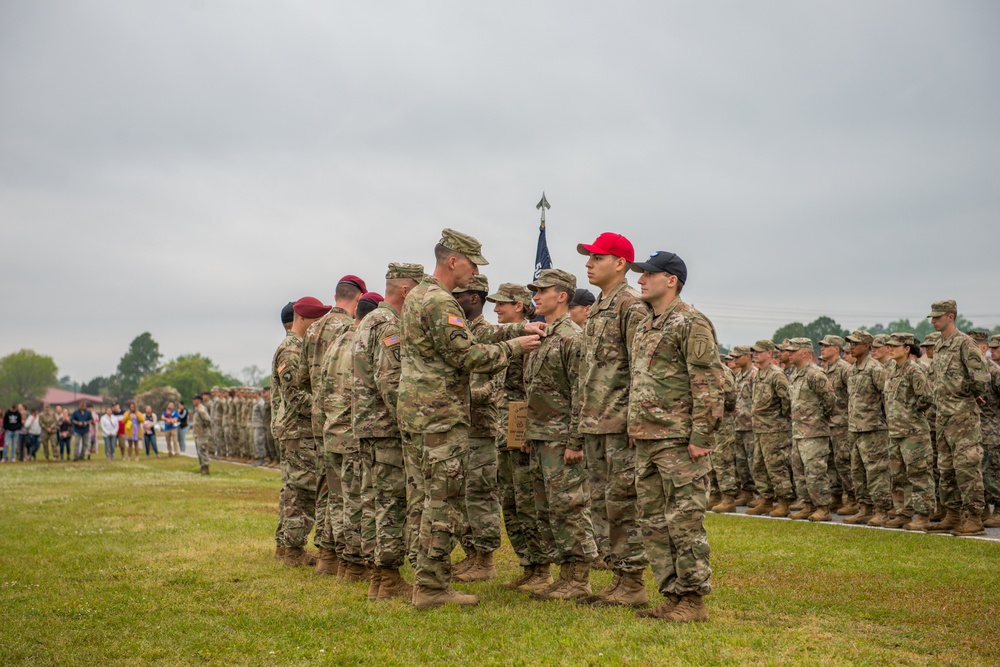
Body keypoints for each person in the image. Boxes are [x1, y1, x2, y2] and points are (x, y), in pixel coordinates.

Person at [397, 228, 541, 609]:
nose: (474, 272)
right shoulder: (441, 302)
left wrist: (516, 328)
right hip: (440, 417)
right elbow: (467, 356)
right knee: (443, 502)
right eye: (473, 263)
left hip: (418, 414)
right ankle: (431, 587)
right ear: (453, 260)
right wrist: (515, 346)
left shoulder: (418, 296)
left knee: (422, 499)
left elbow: (467, 341)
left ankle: (424, 578)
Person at [627, 250, 722, 623]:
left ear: (671, 280)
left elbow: (709, 384)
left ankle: (694, 599)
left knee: (684, 521)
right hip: (648, 440)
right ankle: (672, 593)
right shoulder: (647, 325)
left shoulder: (690, 322)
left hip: (679, 442)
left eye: (649, 274)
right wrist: (636, 427)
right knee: (652, 522)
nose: (641, 279)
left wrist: (701, 435)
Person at [576, 232, 649, 604]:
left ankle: (632, 582)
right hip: (596, 421)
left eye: (597, 257)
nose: (588, 264)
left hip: (620, 423)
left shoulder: (631, 307)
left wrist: (636, 421)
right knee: (603, 502)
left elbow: (642, 368)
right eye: (588, 258)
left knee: (623, 502)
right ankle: (619, 577)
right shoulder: (599, 308)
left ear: (619, 263)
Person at [521, 268, 597, 602]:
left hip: (562, 438)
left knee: (569, 506)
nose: (536, 296)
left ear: (562, 296)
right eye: (535, 291)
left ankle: (579, 578)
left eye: (542, 290)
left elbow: (582, 392)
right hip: (540, 436)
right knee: (548, 509)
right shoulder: (543, 335)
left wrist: (576, 442)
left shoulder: (571, 338)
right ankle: (564, 574)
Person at [351, 262, 423, 600]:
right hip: (386, 428)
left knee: (377, 501)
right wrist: (410, 423)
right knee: (393, 504)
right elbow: (391, 380)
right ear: (407, 290)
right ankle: (389, 578)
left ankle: (379, 578)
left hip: (368, 427)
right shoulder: (389, 324)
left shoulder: (368, 320)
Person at [298, 275, 364, 571]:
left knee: (327, 488)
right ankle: (342, 554)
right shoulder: (349, 329)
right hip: (345, 418)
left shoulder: (312, 329)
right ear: (359, 298)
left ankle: (326, 555)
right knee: (347, 494)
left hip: (319, 418)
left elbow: (302, 378)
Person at [486, 282, 547, 592]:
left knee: (526, 501)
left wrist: (526, 430)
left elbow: (533, 387)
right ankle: (527, 564)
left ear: (520, 306)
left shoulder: (533, 340)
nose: (496, 309)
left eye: (502, 304)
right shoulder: (510, 336)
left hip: (520, 427)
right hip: (502, 427)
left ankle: (541, 568)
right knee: (509, 502)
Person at [271, 296, 332, 567]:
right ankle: (293, 550)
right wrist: (324, 408)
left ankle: (285, 545)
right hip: (300, 430)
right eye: (316, 320)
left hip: (297, 430)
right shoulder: (292, 351)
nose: (319, 325)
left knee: (293, 489)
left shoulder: (295, 347)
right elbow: (295, 395)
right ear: (304, 319)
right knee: (302, 491)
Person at [452, 274, 505, 584]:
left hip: (482, 427)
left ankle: (485, 560)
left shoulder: (488, 334)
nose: (453, 300)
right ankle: (471, 554)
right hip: (463, 426)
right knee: (465, 493)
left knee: (481, 494)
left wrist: (459, 394)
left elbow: (495, 384)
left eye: (459, 295)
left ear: (474, 298)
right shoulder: (463, 333)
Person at [926, 300, 990, 536]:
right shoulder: (941, 344)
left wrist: (966, 397)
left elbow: (981, 378)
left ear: (951, 317)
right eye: (932, 317)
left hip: (963, 417)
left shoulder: (965, 343)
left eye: (937, 317)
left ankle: (974, 518)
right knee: (946, 468)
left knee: (967, 467)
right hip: (943, 418)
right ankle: (952, 515)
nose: (933, 320)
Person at [882, 333, 936, 530]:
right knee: (898, 475)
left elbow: (927, 397)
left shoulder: (915, 371)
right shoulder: (892, 370)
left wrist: (912, 413)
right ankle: (903, 513)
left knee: (919, 474)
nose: (890, 348)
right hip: (895, 432)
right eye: (889, 345)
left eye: (895, 346)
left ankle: (923, 515)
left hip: (913, 432)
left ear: (907, 348)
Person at [844, 330, 891, 526]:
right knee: (857, 471)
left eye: (855, 343)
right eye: (850, 343)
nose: (851, 347)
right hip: (856, 429)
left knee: (877, 472)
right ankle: (864, 508)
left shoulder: (875, 369)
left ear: (866, 346)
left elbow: (887, 397)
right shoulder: (853, 369)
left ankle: (882, 510)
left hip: (873, 429)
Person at [786, 338, 835, 521]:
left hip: (814, 432)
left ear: (805, 353)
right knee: (800, 472)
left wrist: (819, 417)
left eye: (793, 350)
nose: (789, 353)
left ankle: (823, 508)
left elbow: (830, 399)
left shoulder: (815, 374)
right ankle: (807, 504)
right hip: (799, 432)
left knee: (815, 472)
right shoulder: (795, 373)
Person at [745, 340, 793, 517]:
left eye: (759, 352)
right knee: (759, 466)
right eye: (754, 352)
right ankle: (765, 500)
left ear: (769, 354)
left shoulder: (776, 374)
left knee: (776, 467)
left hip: (774, 429)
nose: (755, 354)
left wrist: (781, 417)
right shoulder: (758, 374)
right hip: (759, 428)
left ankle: (783, 502)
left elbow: (786, 399)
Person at [819, 335, 854, 515]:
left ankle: (853, 498)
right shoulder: (825, 369)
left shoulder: (845, 369)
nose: (823, 349)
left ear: (837, 349)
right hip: (829, 424)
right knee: (831, 463)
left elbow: (854, 396)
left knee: (844, 462)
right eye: (822, 346)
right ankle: (836, 497)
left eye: (827, 346)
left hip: (843, 423)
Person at [730, 345, 758, 506]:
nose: (734, 360)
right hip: (738, 425)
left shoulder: (754, 374)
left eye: (737, 357)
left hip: (750, 425)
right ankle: (746, 492)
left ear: (747, 356)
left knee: (754, 462)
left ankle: (761, 494)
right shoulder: (739, 375)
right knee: (741, 462)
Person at [984, 335, 1000, 528]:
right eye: (993, 348)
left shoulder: (995, 372)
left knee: (993, 472)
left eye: (997, 348)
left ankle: (998, 510)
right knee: (984, 472)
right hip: (982, 429)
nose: (993, 352)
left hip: (994, 429)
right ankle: (984, 510)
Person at [191, 393, 212, 475]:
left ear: (199, 400)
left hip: (202, 434)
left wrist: (204, 428)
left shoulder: (201, 409)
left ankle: (205, 467)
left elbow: (208, 420)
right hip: (198, 434)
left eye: (195, 399)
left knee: (203, 450)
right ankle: (202, 467)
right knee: (199, 451)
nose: (193, 401)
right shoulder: (197, 409)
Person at [251, 390, 269, 467]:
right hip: (256, 425)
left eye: (254, 393)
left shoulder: (261, 403)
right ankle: (259, 458)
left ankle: (262, 458)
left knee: (259, 441)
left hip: (260, 425)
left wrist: (263, 425)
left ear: (257, 393)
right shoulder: (256, 402)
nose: (252, 394)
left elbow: (263, 414)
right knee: (256, 442)